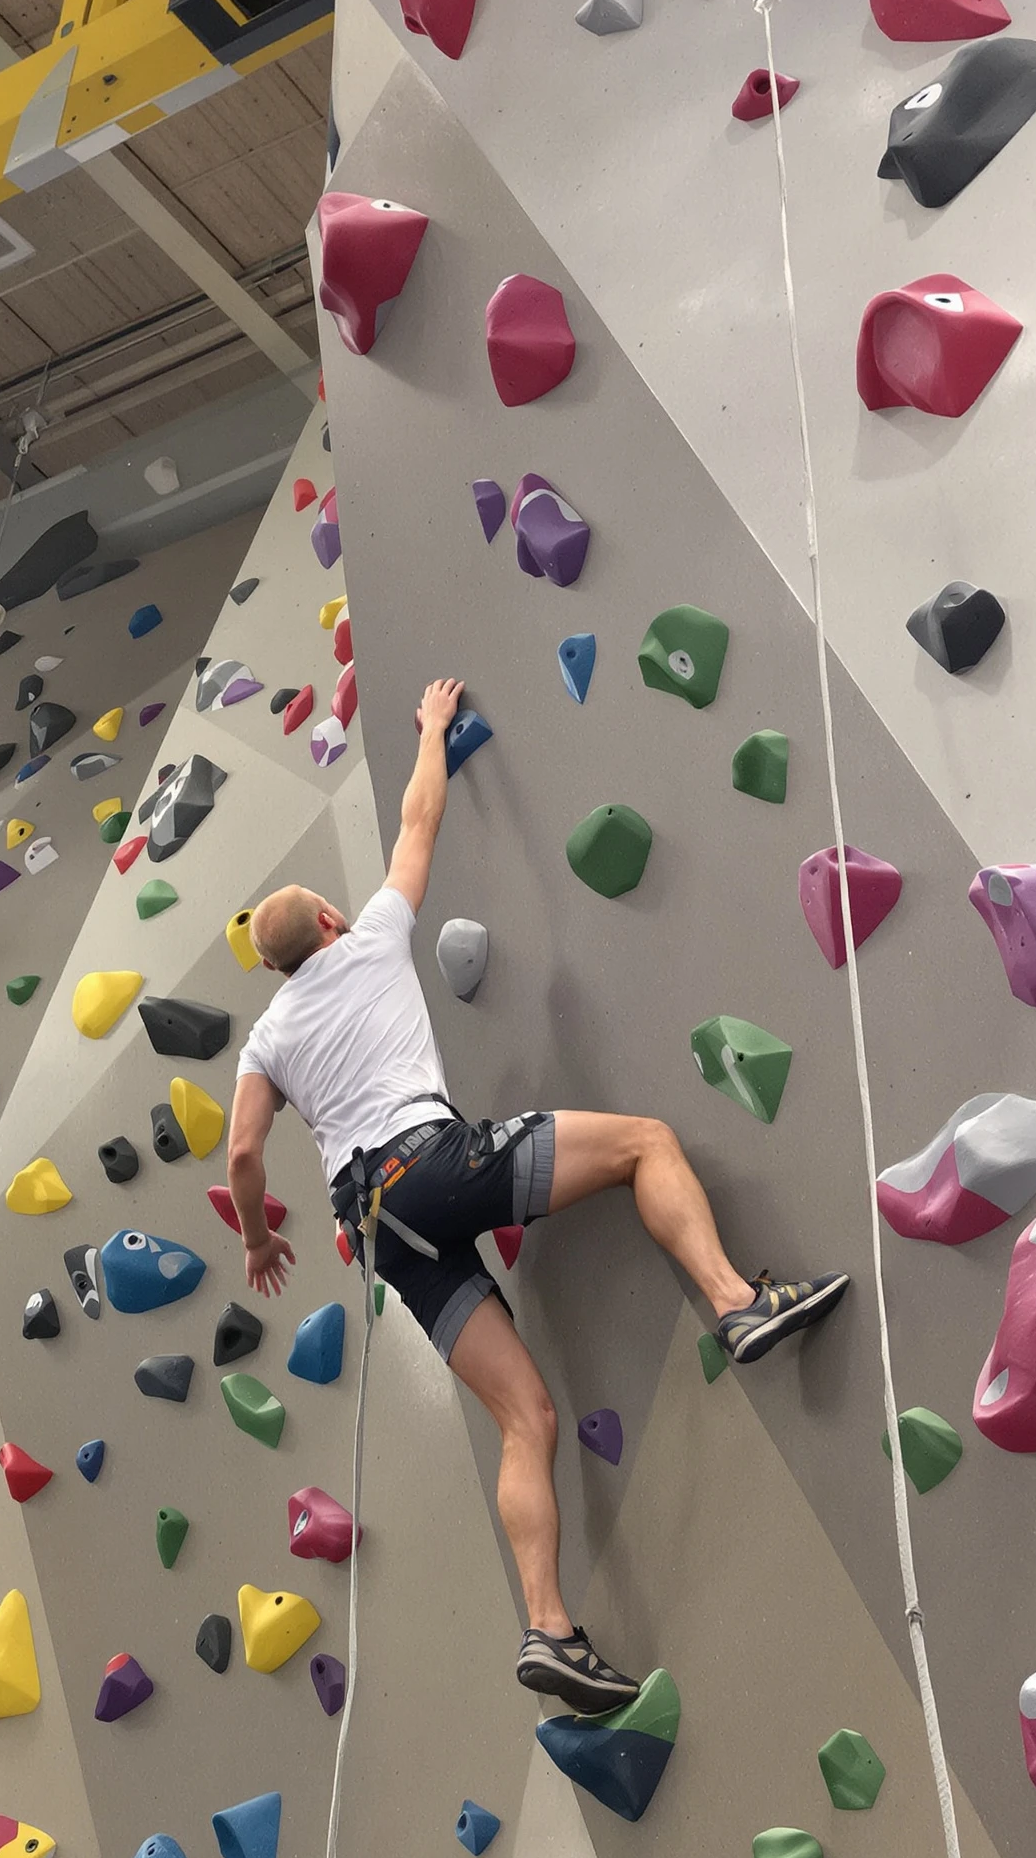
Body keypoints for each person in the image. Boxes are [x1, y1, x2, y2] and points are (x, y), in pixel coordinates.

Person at [224, 678, 849, 1714]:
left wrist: (255, 1239)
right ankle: (737, 1302)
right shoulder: (370, 937)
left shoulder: (268, 1038)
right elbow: (418, 821)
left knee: (528, 1418)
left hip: (381, 1233)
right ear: (328, 921)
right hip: (429, 1164)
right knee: (646, 1143)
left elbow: (242, 1153)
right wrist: (432, 729)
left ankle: (548, 1627)